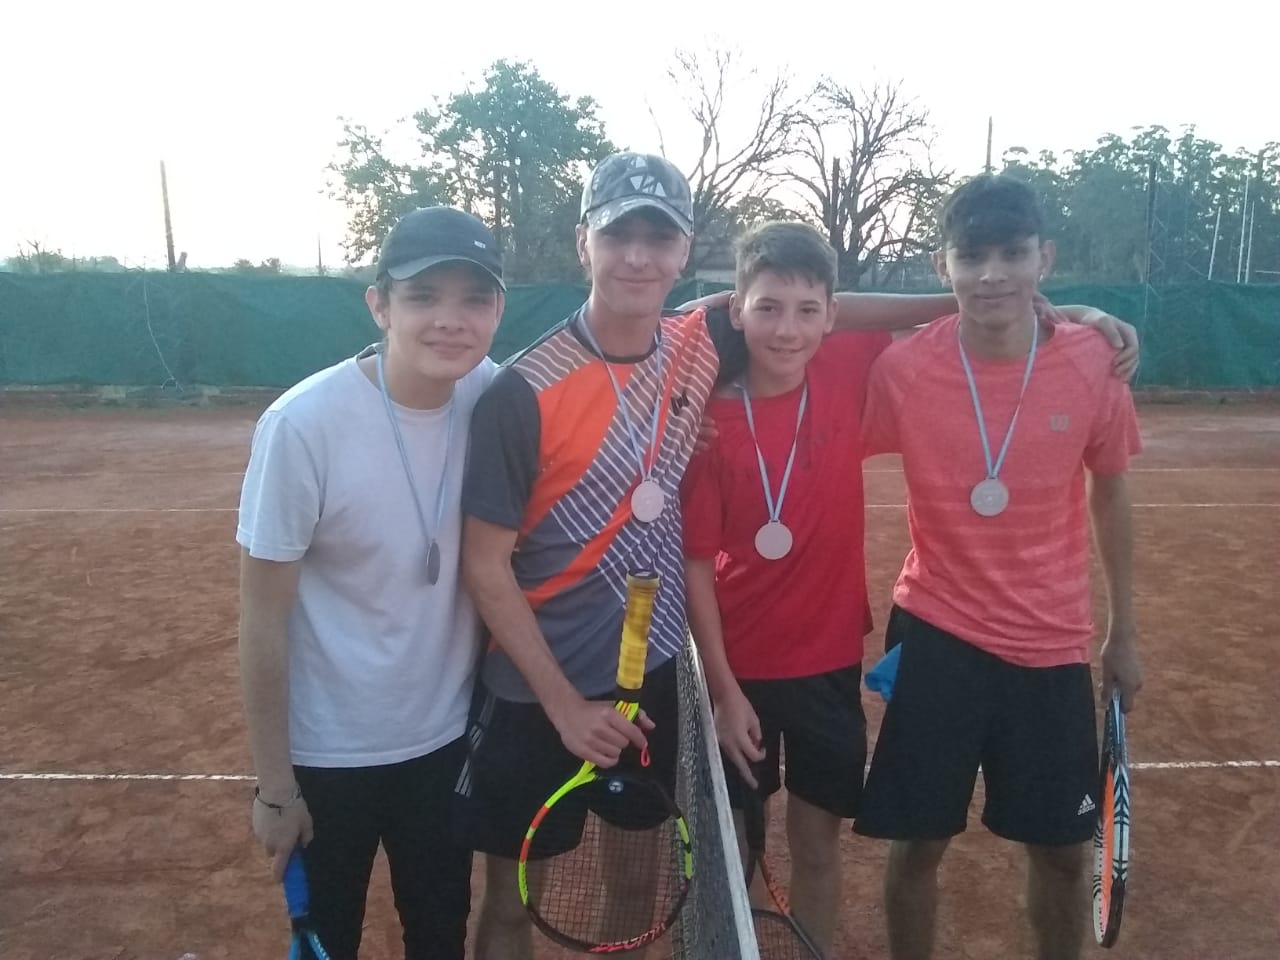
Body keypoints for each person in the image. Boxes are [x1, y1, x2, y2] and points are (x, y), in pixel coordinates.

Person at [454, 150, 1139, 960]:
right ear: (584, 243)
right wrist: (595, 701)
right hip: (574, 683)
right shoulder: (566, 379)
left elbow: (829, 307)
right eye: (617, 236)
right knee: (522, 903)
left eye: (659, 238)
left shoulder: (716, 345)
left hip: (686, 674)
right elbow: (490, 565)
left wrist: (1024, 302)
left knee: (652, 882)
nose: (638, 256)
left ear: (683, 249)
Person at [852, 173, 1145, 960]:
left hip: (1051, 646)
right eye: (971, 257)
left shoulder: (1093, 362)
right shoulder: (904, 369)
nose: (992, 275)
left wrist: (1123, 632)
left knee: (1062, 854)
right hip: (936, 634)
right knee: (918, 843)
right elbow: (813, 339)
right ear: (942, 265)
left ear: (1044, 257)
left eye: (1012, 255)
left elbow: (1111, 492)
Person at [236, 206, 505, 959]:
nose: (450, 320)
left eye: (474, 298)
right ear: (379, 304)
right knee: (329, 942)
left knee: (439, 938)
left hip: (443, 747)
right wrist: (275, 788)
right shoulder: (302, 425)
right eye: (423, 296)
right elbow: (262, 618)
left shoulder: (497, 397)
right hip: (326, 759)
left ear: (498, 311)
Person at [680, 220, 889, 955]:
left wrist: (1068, 310)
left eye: (807, 311)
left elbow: (972, 306)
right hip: (740, 670)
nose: (788, 329)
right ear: (736, 310)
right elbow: (695, 564)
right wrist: (723, 690)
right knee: (737, 850)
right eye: (766, 308)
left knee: (818, 844)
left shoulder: (849, 365)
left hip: (829, 665)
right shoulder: (708, 419)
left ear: (832, 317)